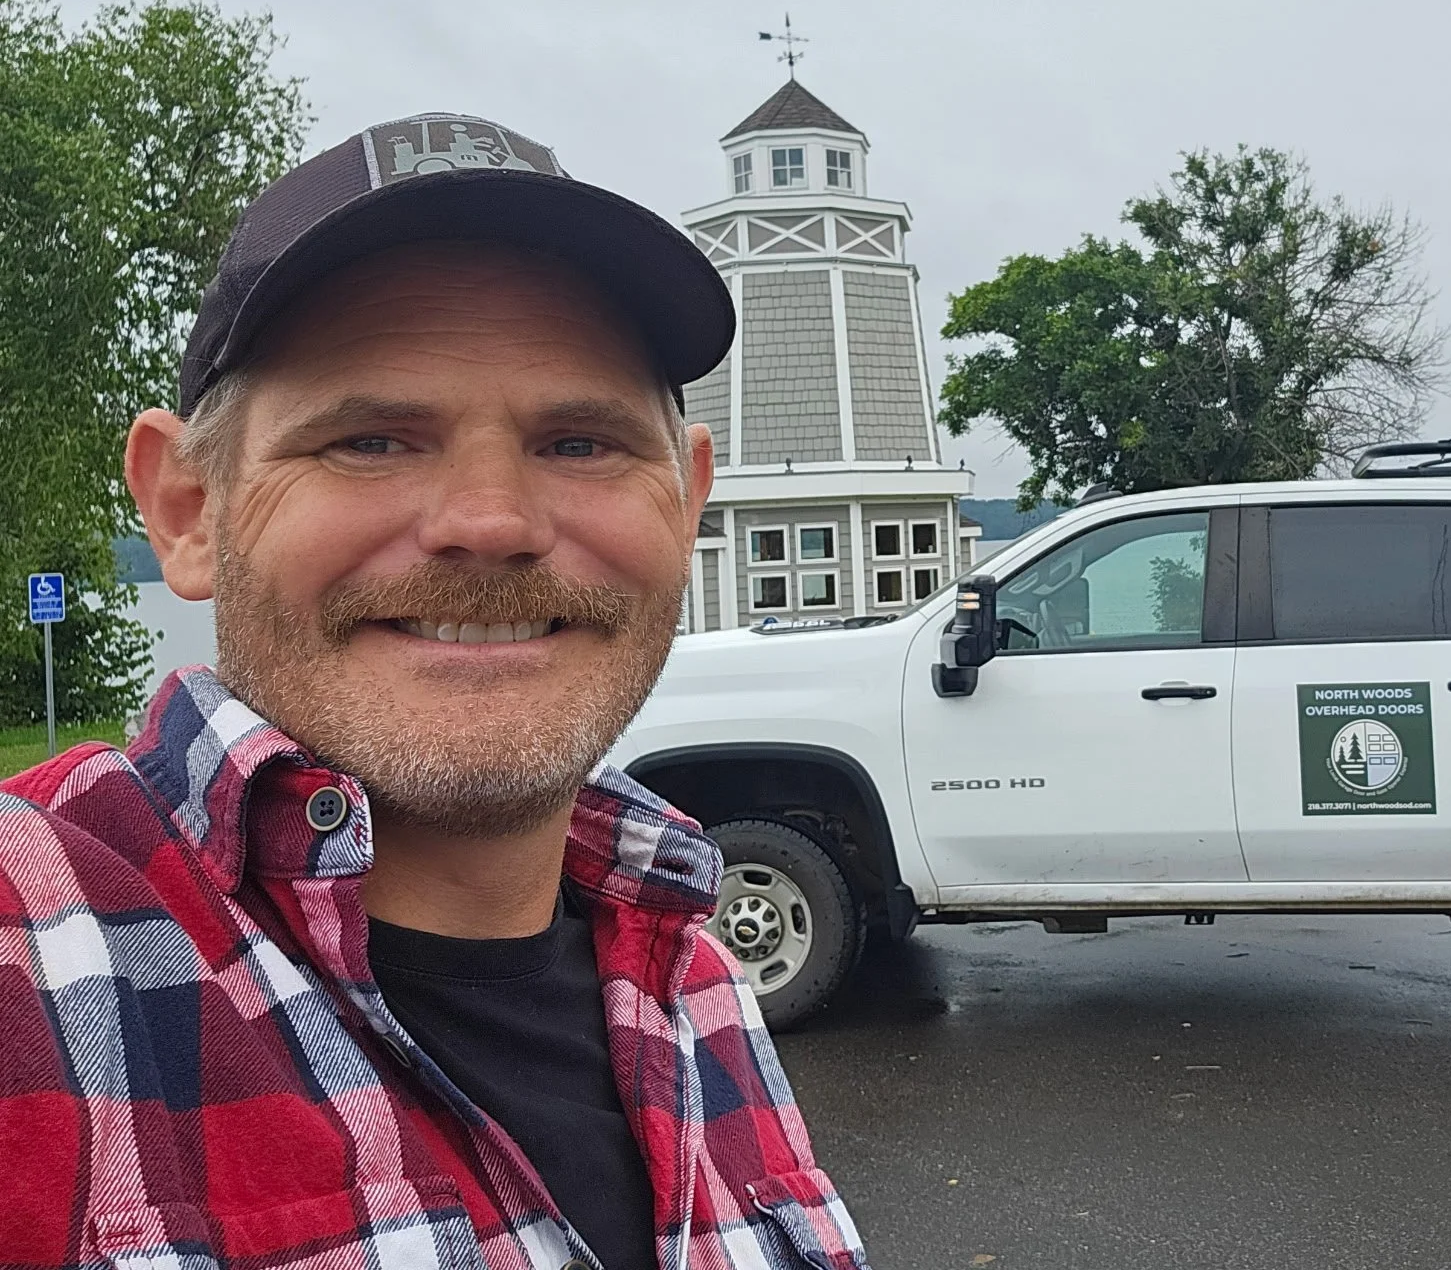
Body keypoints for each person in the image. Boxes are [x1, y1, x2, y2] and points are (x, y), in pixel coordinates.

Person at [0, 114, 869, 1269]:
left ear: (685, 495)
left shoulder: (691, 972)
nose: (491, 523)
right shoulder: (34, 964)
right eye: (369, 440)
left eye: (578, 442)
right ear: (188, 510)